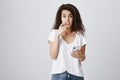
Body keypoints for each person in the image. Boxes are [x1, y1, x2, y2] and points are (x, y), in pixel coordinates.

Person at [48, 4, 87, 80]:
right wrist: (57, 35)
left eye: (70, 16)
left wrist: (80, 55)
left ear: (74, 18)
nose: (67, 20)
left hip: (76, 76)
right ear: (60, 18)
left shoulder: (80, 36)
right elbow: (53, 56)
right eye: (64, 16)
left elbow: (83, 58)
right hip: (58, 75)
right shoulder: (54, 33)